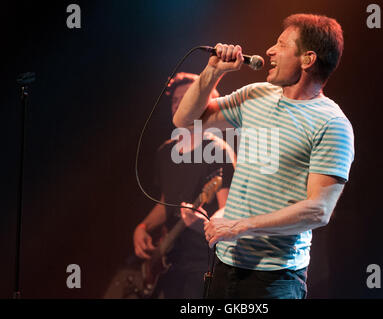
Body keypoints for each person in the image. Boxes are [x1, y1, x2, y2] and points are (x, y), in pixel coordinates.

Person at [173, 14, 355, 299]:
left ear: (307, 59)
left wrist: (240, 226)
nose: (269, 50)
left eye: (281, 45)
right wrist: (213, 72)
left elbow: (319, 210)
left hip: (274, 280)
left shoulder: (332, 124)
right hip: (223, 265)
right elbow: (184, 121)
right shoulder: (256, 94)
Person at [133, 72, 236, 299]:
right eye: (175, 100)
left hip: (201, 262)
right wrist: (142, 227)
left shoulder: (217, 150)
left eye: (187, 98)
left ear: (204, 103)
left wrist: (205, 223)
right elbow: (165, 201)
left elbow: (228, 209)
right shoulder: (164, 152)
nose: (180, 104)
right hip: (168, 260)